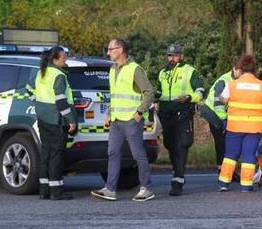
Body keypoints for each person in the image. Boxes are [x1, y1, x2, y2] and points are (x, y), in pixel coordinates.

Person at [91, 38, 156, 202]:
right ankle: (110, 189)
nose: (108, 52)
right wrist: (109, 114)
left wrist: (140, 112)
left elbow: (149, 92)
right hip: (116, 120)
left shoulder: (135, 69)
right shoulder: (113, 69)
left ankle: (146, 188)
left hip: (132, 120)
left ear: (120, 50)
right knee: (112, 153)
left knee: (137, 154)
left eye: (110, 49)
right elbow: (114, 96)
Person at [217, 54, 262, 192]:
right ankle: (246, 185)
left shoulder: (232, 84)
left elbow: (223, 99)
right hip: (254, 127)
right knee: (249, 154)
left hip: (235, 126)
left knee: (231, 154)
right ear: (254, 69)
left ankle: (224, 183)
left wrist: (221, 96)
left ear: (241, 68)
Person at [156, 44, 204, 196]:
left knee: (181, 145)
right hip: (165, 114)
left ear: (181, 56)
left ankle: (178, 180)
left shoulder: (190, 71)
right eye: (170, 55)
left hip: (183, 113)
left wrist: (189, 98)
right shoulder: (162, 72)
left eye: (175, 55)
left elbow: (201, 92)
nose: (172, 58)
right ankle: (176, 170)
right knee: (170, 145)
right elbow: (158, 92)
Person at [33, 46, 78, 200]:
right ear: (55, 59)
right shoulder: (59, 76)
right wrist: (71, 120)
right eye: (64, 58)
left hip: (42, 119)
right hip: (56, 120)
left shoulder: (41, 72)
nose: (66, 60)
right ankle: (56, 191)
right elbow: (61, 102)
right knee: (56, 155)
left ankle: (44, 190)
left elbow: (29, 90)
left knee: (45, 153)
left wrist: (39, 106)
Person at [200, 62, 236, 170]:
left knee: (225, 145)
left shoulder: (234, 80)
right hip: (214, 115)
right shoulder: (225, 80)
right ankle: (223, 172)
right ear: (234, 69)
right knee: (222, 145)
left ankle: (227, 171)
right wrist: (224, 120)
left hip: (217, 114)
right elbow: (218, 104)